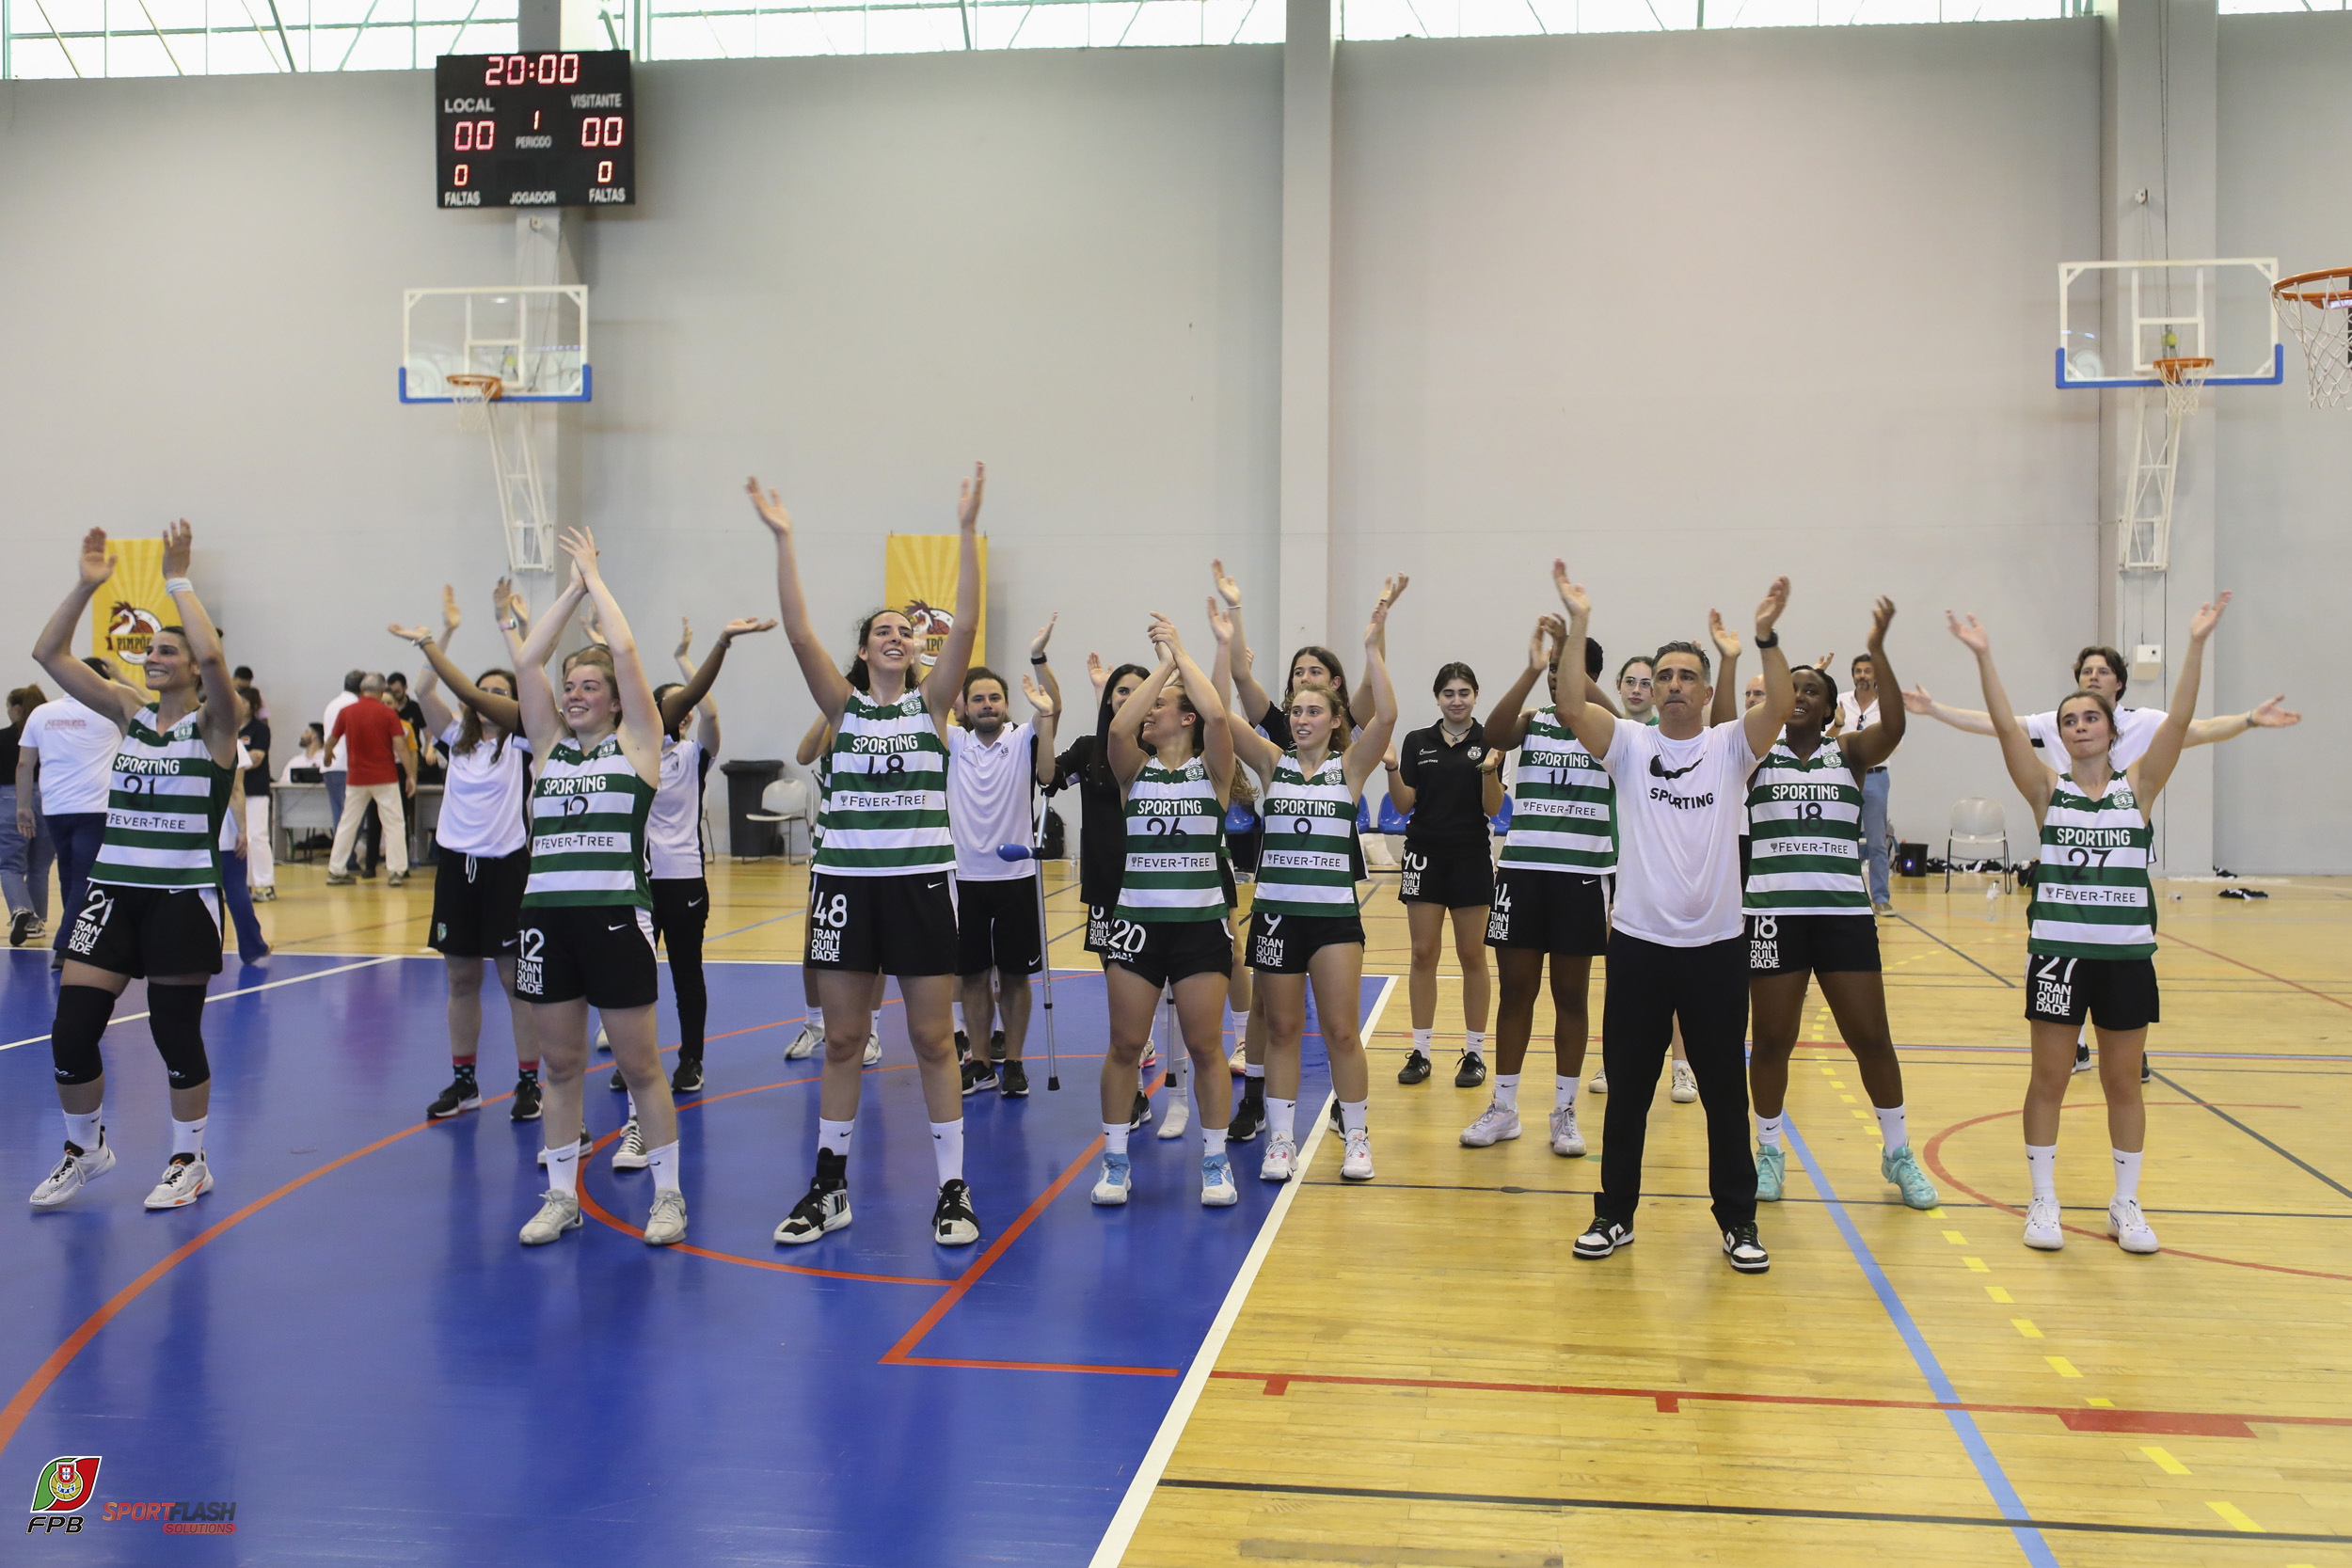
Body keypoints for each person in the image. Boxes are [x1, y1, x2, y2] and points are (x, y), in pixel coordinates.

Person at [751, 467, 987, 1249]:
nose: (894, 635)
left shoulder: (932, 705)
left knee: (932, 1039)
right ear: (862, 649)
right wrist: (785, 538)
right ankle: (830, 1187)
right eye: (881, 629)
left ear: (918, 647)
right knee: (845, 1039)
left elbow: (968, 619)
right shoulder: (842, 707)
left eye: (904, 630)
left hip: (919, 885)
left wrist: (965, 530)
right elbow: (797, 633)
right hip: (846, 887)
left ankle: (952, 1187)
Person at [1954, 595, 2227, 1256]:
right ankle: (2042, 1197)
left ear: (2111, 729)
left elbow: (2180, 720)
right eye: (2069, 720)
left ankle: (2125, 1202)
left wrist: (2195, 644)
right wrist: (1985, 655)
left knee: (2122, 1083)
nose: (2079, 727)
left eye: (2090, 718)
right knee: (2048, 1080)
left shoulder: (2141, 786)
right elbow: (2005, 726)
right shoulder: (2048, 792)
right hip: (2058, 955)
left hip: (2127, 958)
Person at [1556, 564, 1794, 1275]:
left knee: (1724, 1093)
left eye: (1688, 676)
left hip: (1717, 950)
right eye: (1664, 676)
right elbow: (1569, 703)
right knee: (1628, 1092)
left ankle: (1739, 1220)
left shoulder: (1730, 747)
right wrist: (1579, 621)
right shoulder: (1630, 746)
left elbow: (1781, 705)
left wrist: (1765, 638)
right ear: (1652, 690)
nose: (1674, 685)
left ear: (1706, 691)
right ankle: (1614, 1214)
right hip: (1639, 947)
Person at [28, 522, 241, 1212]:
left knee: (173, 1032)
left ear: (193, 667)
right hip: (112, 892)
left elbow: (215, 656)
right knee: (71, 1031)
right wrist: (86, 584)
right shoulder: (131, 711)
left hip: (181, 895)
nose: (153, 657)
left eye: (167, 650)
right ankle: (85, 1149)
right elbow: (48, 654)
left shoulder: (216, 725)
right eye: (150, 649)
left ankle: (189, 1161)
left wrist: (178, 579)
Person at [1719, 598, 1937, 1211]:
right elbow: (1722, 725)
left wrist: (1880, 650)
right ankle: (1768, 1151)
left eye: (1811, 689)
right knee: (1772, 1040)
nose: (1799, 695)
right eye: (1791, 688)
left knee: (1872, 1037)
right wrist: (1734, 658)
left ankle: (1898, 1153)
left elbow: (1895, 728)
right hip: (1773, 916)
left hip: (1843, 916)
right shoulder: (1755, 756)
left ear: (1829, 706)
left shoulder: (1850, 753)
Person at [507, 530, 688, 1248]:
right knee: (560, 1065)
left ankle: (668, 1196)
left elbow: (627, 651)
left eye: (590, 686)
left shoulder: (637, 747)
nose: (575, 694)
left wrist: (596, 578)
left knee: (640, 1065)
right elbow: (528, 660)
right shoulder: (548, 749)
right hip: (546, 922)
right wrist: (570, 589)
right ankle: (561, 1196)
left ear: (615, 703)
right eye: (570, 687)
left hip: (615, 918)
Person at [1220, 586, 1398, 1183]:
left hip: (1333, 921)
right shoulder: (1271, 763)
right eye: (1296, 711)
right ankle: (1281, 1141)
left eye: (1313, 711)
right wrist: (1224, 643)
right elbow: (1221, 716)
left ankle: (1358, 1137)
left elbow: (1388, 717)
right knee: (1284, 1031)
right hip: (1275, 917)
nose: (1301, 719)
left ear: (1336, 719)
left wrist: (1372, 648)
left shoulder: (1350, 768)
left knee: (1342, 1031)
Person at [600, 610, 775, 1147]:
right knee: (632, 978)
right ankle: (634, 1062)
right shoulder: (632, 755)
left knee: (686, 974)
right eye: (670, 703)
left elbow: (710, 713)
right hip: (637, 882)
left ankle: (691, 1058)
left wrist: (685, 659)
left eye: (685, 703)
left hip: (683, 880)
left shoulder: (694, 755)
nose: (682, 709)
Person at [1088, 611, 1239, 1207]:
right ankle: (1115, 1162)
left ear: (1187, 718)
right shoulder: (1134, 772)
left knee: (1205, 1048)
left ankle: (1216, 1162)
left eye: (1162, 705)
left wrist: (1182, 654)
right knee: (1125, 1046)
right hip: (1137, 926)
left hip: (1200, 928)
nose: (1149, 711)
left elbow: (1219, 716)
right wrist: (1164, 667)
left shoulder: (1213, 771)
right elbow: (1118, 727)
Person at [1461, 616, 1618, 1158]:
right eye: (1553, 671)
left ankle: (1564, 1110)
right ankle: (1504, 1107)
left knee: (1571, 996)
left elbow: (1623, 726)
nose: (1556, 678)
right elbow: (1492, 734)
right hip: (1524, 873)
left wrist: (1575, 667)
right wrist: (1535, 669)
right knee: (1516, 992)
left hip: (1582, 877)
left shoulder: (1610, 729)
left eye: (1564, 671)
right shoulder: (1533, 723)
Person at [389, 584, 544, 1123]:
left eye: (501, 692)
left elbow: (532, 679)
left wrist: (513, 625)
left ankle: (529, 1082)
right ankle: (464, 1083)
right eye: (484, 691)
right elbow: (424, 688)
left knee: (515, 982)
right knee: (460, 980)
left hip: (507, 870)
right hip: (457, 869)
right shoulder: (457, 738)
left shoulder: (525, 743)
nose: (490, 698)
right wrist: (445, 630)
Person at [948, 622, 1062, 1101]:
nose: (987, 704)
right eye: (978, 698)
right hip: (964, 879)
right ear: (964, 706)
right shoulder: (951, 742)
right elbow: (927, 704)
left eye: (995, 697)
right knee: (973, 977)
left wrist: (1039, 661)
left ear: (1007, 704)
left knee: (1015, 976)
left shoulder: (1021, 737)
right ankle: (980, 1062)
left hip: (1016, 877)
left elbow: (1052, 709)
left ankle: (1012, 1061)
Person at [1390, 662, 1506, 1088]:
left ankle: (1475, 1053)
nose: (1456, 701)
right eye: (1449, 693)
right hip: (1424, 856)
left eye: (1464, 692)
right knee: (1423, 953)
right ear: (1438, 698)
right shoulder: (1417, 741)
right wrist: (1391, 769)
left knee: (1472, 955)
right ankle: (1421, 1051)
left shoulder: (1491, 741)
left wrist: (1490, 770)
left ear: (1475, 695)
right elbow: (1403, 804)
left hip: (1470, 857)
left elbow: (1493, 808)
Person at [782, 710, 884, 1069]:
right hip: (832, 846)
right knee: (817, 939)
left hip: (882, 844)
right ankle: (815, 1023)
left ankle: (871, 1031)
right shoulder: (839, 714)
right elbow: (804, 755)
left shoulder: (897, 718)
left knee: (877, 946)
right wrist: (832, 708)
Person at [20, 660, 124, 973]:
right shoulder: (112, 713)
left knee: (67, 875)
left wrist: (23, 807)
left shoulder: (42, 713)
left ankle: (77, 938)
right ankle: (68, 944)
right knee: (83, 877)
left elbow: (25, 764)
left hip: (55, 808)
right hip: (95, 807)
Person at [322, 675, 413, 887]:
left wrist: (327, 756)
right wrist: (410, 775)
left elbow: (331, 740)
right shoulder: (388, 713)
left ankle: (336, 870)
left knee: (348, 824)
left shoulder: (347, 712)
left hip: (356, 778)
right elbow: (400, 746)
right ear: (382, 690)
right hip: (385, 777)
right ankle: (396, 871)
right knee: (394, 824)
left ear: (362, 688)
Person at [217, 696, 271, 967]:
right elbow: (235, 790)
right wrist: (242, 830)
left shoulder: (185, 738)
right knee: (236, 888)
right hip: (223, 833)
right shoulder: (231, 742)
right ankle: (251, 946)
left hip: (192, 831)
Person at [4, 686, 59, 946]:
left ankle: (21, 910)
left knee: (10, 866)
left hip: (11, 801)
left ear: (16, 709)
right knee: (40, 868)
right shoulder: (51, 737)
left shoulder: (4, 738)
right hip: (49, 800)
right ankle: (35, 923)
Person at [1616, 657, 1658, 725]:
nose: (1636, 690)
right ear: (1618, 685)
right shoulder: (1609, 727)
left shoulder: (1666, 730)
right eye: (1630, 682)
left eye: (1645, 684)